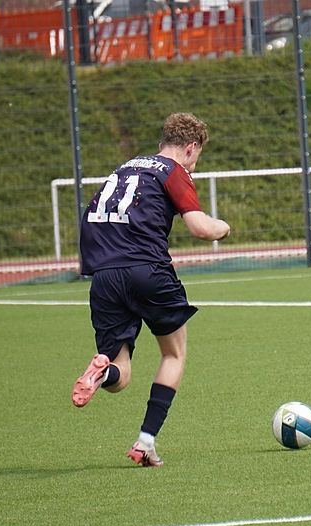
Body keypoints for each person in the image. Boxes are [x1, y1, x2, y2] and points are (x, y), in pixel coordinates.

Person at [71, 112, 231, 466]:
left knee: (121, 375)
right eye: (197, 156)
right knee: (173, 355)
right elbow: (200, 228)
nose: (194, 164)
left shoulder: (123, 169)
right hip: (148, 271)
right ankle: (145, 443)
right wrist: (224, 227)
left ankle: (102, 372)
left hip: (104, 277)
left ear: (162, 143)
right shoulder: (173, 170)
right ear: (190, 147)